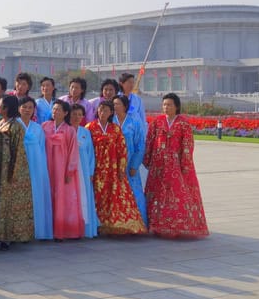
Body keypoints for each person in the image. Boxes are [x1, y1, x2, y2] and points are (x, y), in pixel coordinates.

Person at [144, 93, 210, 238]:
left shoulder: (183, 123)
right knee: (158, 194)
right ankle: (157, 225)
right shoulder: (157, 122)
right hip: (158, 165)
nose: (166, 108)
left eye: (169, 105)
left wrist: (185, 165)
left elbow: (187, 145)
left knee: (177, 195)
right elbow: (149, 141)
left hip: (176, 166)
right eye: (164, 105)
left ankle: (178, 224)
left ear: (177, 106)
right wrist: (147, 160)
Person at [88, 101, 147, 235]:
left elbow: (122, 150)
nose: (103, 113)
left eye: (106, 110)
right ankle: (98, 225)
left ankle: (116, 223)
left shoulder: (115, 129)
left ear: (111, 113)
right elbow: (87, 151)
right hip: (97, 170)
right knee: (98, 197)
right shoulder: (90, 127)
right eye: (101, 110)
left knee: (114, 197)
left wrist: (121, 169)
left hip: (113, 171)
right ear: (97, 111)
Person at [0, 94, 34, 248]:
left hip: (8, 172)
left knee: (8, 204)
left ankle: (8, 236)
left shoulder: (16, 126)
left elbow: (19, 152)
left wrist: (13, 174)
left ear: (6, 108)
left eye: (0, 104)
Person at [42, 100, 83, 240]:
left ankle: (63, 230)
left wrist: (69, 171)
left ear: (65, 113)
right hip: (48, 168)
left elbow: (73, 152)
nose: (55, 112)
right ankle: (47, 230)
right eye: (53, 109)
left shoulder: (69, 130)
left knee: (63, 199)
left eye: (58, 110)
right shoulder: (45, 127)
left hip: (62, 170)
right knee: (48, 197)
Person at [18, 96, 53, 240]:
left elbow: (42, 150)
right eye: (24, 107)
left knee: (35, 195)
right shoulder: (14, 125)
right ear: (19, 108)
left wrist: (42, 171)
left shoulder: (38, 128)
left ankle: (35, 229)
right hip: (19, 167)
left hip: (36, 166)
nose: (27, 110)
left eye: (30, 108)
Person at [113, 94, 148, 226]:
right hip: (114, 164)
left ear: (125, 106)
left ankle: (138, 222)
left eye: (118, 104)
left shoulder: (134, 122)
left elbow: (140, 145)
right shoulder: (111, 122)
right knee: (117, 193)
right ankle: (118, 223)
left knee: (134, 192)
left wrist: (134, 165)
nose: (115, 106)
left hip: (130, 164)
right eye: (114, 104)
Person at [70, 104, 100, 238]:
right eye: (74, 114)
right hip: (70, 171)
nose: (76, 117)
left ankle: (85, 228)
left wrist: (90, 173)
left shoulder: (85, 132)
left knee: (84, 198)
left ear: (83, 116)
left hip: (83, 170)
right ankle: (70, 227)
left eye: (79, 114)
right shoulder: (66, 130)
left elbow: (90, 154)